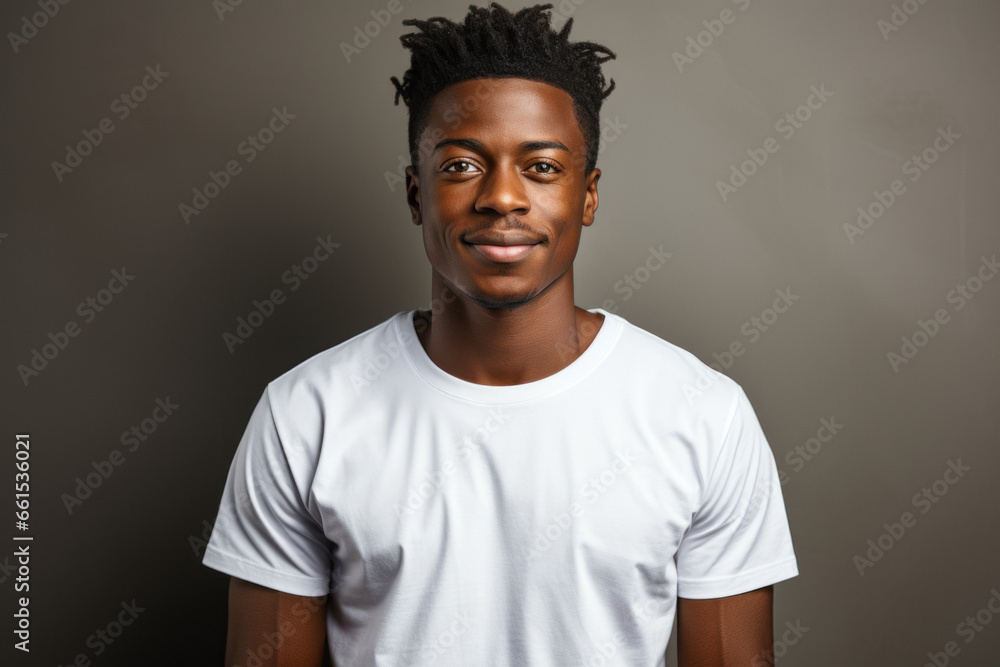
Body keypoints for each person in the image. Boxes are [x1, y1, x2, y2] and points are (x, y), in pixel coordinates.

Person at [202, 3, 799, 665]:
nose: (502, 197)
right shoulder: (305, 414)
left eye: (542, 167)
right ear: (415, 194)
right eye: (461, 166)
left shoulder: (702, 415)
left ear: (588, 195)